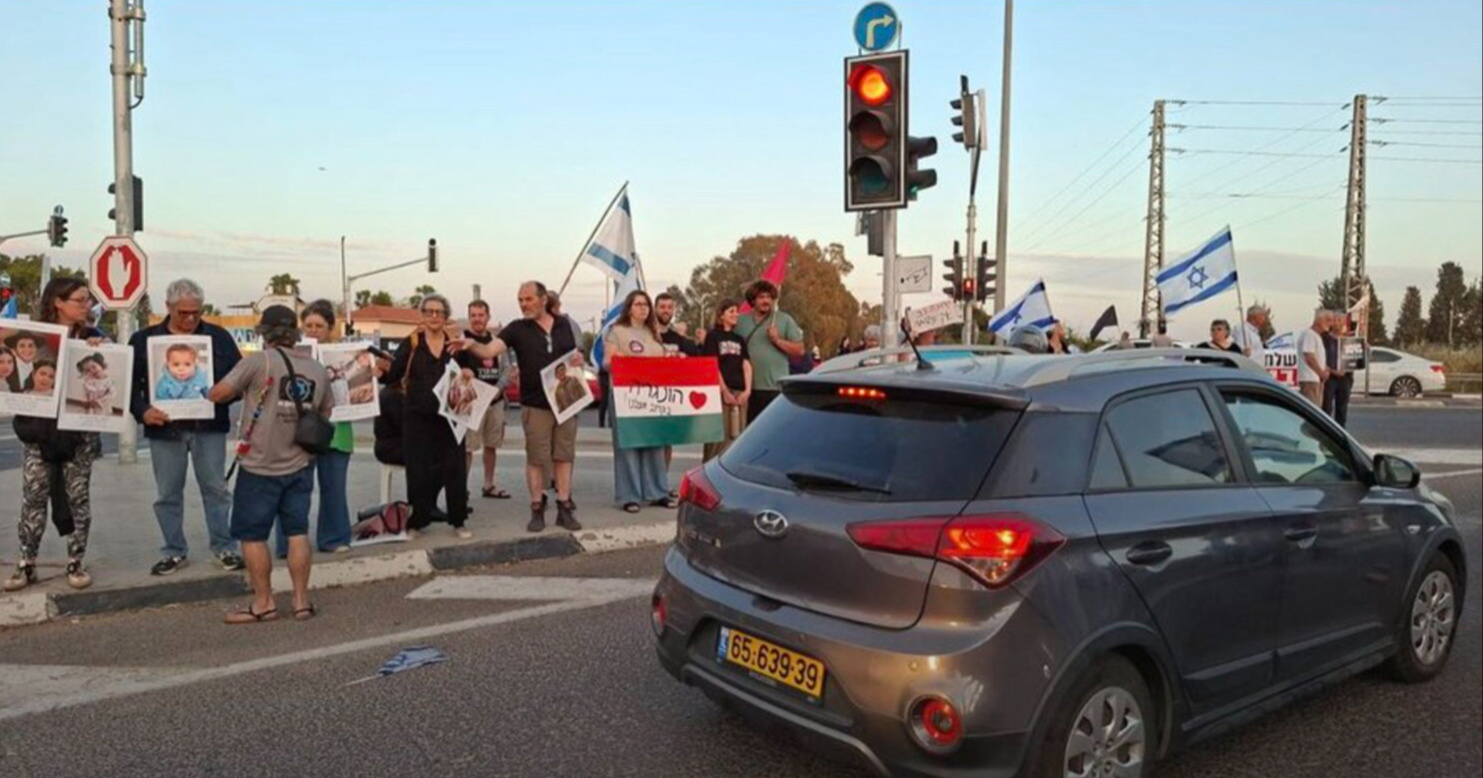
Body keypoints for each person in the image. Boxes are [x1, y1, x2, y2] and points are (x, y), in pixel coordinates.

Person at [209, 306, 334, 624]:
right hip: (301, 464)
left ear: (263, 333)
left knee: (252, 536)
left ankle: (264, 603)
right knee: (297, 532)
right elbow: (326, 412)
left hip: (259, 466)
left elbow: (219, 394)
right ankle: (301, 602)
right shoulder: (316, 368)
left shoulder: (258, 361)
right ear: (295, 333)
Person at [129, 278, 244, 576]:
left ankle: (224, 547)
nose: (191, 319)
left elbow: (239, 377)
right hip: (165, 429)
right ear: (168, 307)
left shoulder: (219, 337)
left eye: (197, 312)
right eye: (183, 313)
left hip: (209, 427)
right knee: (168, 493)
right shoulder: (143, 340)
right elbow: (128, 386)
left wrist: (228, 393)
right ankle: (173, 551)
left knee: (216, 489)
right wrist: (143, 411)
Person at [4, 278, 107, 592]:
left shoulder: (93, 338)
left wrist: (100, 351)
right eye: (80, 300)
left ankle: (75, 561)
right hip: (38, 432)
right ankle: (26, 563)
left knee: (78, 498)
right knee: (34, 497)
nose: (86, 306)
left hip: (78, 435)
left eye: (88, 300)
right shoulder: (35, 338)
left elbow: (107, 376)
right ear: (58, 302)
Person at [457, 282, 582, 534]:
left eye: (528, 299)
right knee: (536, 458)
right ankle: (537, 507)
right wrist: (472, 345)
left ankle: (563, 507)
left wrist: (580, 358)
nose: (523, 304)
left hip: (565, 403)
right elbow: (489, 350)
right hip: (535, 404)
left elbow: (576, 355)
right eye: (520, 300)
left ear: (543, 299)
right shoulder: (517, 329)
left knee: (564, 456)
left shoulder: (566, 324)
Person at [384, 294, 472, 540]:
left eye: (439, 312)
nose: (434, 316)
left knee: (455, 469)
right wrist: (379, 371)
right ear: (422, 315)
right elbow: (393, 375)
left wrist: (468, 372)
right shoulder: (411, 343)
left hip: (450, 417)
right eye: (429, 312)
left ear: (445, 317)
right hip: (417, 416)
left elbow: (468, 370)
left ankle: (458, 520)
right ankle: (418, 521)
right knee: (418, 470)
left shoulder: (454, 344)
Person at [278, 300, 354, 556]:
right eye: (308, 325)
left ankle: (334, 538)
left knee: (334, 487)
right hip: (299, 431)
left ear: (331, 328)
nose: (313, 330)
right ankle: (289, 543)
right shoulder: (291, 354)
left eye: (319, 326)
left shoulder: (344, 355)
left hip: (337, 430)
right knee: (293, 490)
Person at [602, 290, 674, 513]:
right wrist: (620, 361)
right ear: (629, 308)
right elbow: (606, 362)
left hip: (652, 397)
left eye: (646, 304)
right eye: (638, 304)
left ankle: (657, 492)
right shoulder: (617, 332)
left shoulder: (653, 333)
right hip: (626, 396)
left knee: (655, 444)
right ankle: (629, 496)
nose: (643, 308)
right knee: (628, 446)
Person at [457, 300, 513, 500]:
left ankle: (488, 485)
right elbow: (453, 370)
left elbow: (507, 369)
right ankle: (461, 489)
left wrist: (498, 390)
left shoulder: (496, 342)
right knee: (467, 448)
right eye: (473, 315)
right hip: (472, 403)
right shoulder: (461, 341)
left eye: (481, 315)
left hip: (495, 402)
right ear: (469, 317)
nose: (477, 319)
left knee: (491, 445)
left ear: (488, 317)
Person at [734, 280, 804, 424]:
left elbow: (799, 350)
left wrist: (777, 340)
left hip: (775, 388)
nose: (766, 301)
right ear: (752, 300)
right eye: (761, 297)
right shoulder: (740, 321)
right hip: (747, 389)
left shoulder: (784, 320)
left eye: (769, 297)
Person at [700, 298, 751, 462]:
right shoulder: (713, 337)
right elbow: (712, 365)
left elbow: (746, 365)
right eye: (731, 311)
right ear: (721, 315)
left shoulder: (739, 339)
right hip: (721, 393)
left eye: (737, 311)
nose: (736, 314)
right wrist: (723, 390)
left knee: (737, 436)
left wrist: (747, 391)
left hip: (739, 393)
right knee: (719, 439)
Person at [1323, 310, 1354, 427]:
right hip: (1330, 377)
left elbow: (1357, 358)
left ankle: (1339, 431)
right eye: (1335, 320)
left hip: (1345, 378)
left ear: (1344, 322)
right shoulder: (1325, 338)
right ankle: (1324, 430)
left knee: (1342, 408)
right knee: (1326, 407)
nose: (1337, 323)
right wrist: (1332, 371)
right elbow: (1320, 358)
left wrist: (1363, 348)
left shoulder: (1350, 339)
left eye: (1340, 320)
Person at [1297, 308, 1331, 407]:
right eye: (1328, 320)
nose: (1330, 324)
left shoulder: (1316, 336)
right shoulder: (1309, 335)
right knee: (1312, 407)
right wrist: (1321, 373)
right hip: (1310, 379)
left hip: (1315, 379)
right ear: (1319, 320)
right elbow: (1309, 356)